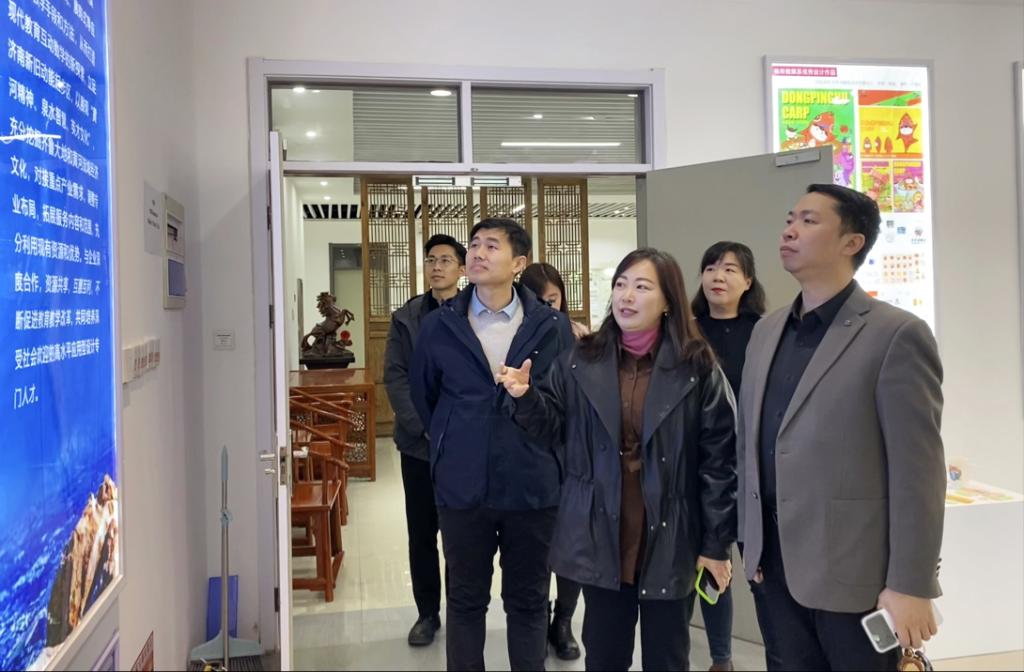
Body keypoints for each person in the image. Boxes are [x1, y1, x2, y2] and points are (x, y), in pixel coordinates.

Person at [498, 248, 737, 671]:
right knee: (605, 654)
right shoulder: (582, 359)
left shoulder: (697, 367)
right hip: (601, 530)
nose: (626, 296)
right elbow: (554, 431)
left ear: (668, 301)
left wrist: (716, 545)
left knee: (667, 657)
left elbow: (720, 464)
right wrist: (526, 397)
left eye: (642, 287)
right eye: (621, 285)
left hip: (670, 533)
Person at [737, 184, 945, 671]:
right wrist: (748, 544)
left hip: (856, 577)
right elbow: (752, 445)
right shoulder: (766, 331)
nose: (790, 230)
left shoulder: (896, 335)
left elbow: (918, 474)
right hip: (773, 568)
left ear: (852, 242)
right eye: (790, 219)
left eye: (809, 221)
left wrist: (911, 583)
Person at [411, 219, 574, 671]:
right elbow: (426, 397)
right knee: (465, 601)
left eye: (492, 246)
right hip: (462, 486)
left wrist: (526, 399)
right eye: (475, 245)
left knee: (528, 601)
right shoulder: (440, 325)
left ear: (519, 263)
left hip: (532, 484)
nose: (478, 253)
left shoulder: (551, 327)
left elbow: (563, 408)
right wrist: (457, 437)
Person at [383, 234, 466, 646]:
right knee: (421, 532)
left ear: (462, 269)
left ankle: (462, 611)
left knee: (460, 533)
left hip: (463, 446)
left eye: (446, 260)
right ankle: (427, 613)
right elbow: (396, 377)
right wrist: (425, 426)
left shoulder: (476, 313)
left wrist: (456, 427)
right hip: (418, 446)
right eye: (431, 259)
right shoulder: (406, 318)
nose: (437, 267)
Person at [689, 241, 766, 672]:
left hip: (752, 470)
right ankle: (721, 658)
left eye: (731, 269)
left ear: (748, 281)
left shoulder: (765, 332)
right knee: (707, 566)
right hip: (699, 468)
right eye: (711, 268)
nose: (718, 276)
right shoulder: (686, 330)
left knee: (758, 571)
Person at [519, 262, 588, 661]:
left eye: (554, 300)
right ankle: (537, 617)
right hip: (531, 455)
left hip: (572, 453)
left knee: (571, 544)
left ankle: (563, 621)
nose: (548, 309)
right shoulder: (516, 339)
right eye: (540, 302)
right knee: (538, 546)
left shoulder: (579, 337)